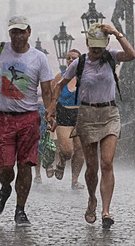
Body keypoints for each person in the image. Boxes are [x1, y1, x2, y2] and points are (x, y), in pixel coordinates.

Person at [48, 22, 135, 228]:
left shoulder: (111, 56)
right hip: (86, 115)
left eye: (100, 46)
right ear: (87, 43)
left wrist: (116, 33)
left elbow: (131, 54)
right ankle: (91, 199)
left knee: (107, 162)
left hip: (109, 114)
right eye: (92, 46)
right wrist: (51, 108)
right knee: (92, 168)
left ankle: (105, 211)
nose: (96, 50)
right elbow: (60, 85)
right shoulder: (79, 63)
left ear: (105, 44)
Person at [0, 15, 53, 227]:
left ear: (29, 32)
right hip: (3, 118)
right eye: (14, 32)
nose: (18, 36)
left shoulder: (39, 58)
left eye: (22, 32)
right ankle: (5, 187)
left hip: (28, 118)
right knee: (5, 168)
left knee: (25, 165)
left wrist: (50, 113)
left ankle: (20, 210)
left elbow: (47, 89)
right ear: (9, 33)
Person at [52, 49, 85, 190]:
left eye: (74, 58)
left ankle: (75, 180)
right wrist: (51, 113)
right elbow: (52, 96)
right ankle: (62, 161)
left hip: (81, 115)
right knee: (67, 150)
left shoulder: (85, 77)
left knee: (80, 150)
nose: (71, 60)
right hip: (64, 113)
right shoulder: (60, 76)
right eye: (68, 58)